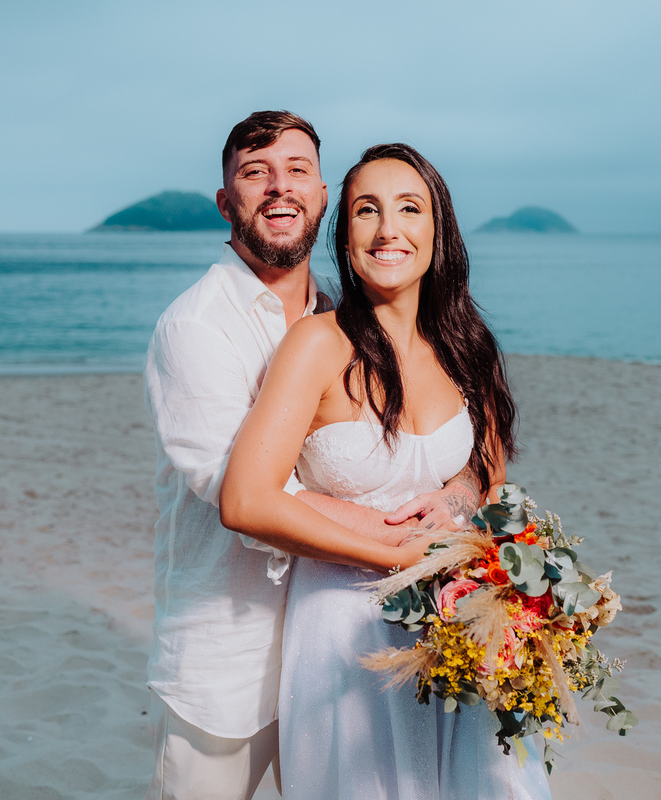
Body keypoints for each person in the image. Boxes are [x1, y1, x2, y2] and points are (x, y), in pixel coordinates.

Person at [143, 112, 479, 800]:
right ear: (225, 202)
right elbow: (244, 495)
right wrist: (418, 548)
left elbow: (460, 445)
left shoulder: (343, 321)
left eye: (297, 170)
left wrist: (456, 501)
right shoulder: (197, 327)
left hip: (343, 652)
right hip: (230, 650)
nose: (279, 188)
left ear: (322, 198)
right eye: (255, 173)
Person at [221, 143, 552, 798]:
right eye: (366, 211)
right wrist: (392, 553)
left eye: (409, 208)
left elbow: (487, 463)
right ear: (346, 236)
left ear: (438, 230)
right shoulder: (317, 344)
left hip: (457, 618)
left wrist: (460, 497)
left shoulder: (464, 341)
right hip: (348, 631)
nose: (388, 229)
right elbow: (245, 500)